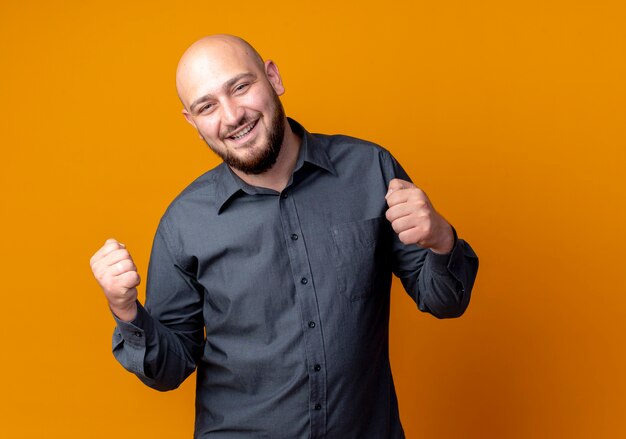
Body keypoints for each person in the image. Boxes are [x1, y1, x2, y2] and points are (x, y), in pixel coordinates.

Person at [90, 34, 479, 438]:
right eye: (207, 106)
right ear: (192, 120)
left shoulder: (370, 170)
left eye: (240, 87)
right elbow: (169, 370)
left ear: (273, 78)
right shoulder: (184, 223)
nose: (232, 115)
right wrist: (126, 311)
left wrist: (440, 239)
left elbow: (445, 302)